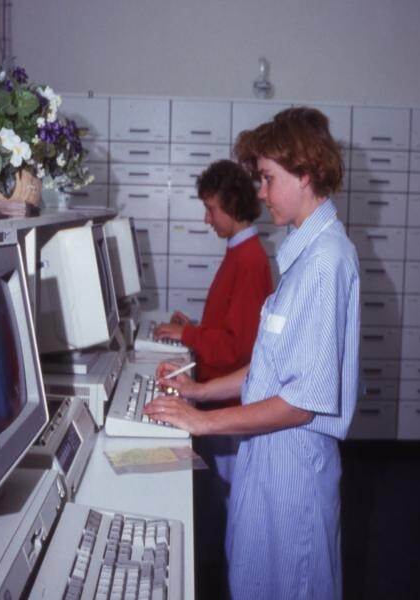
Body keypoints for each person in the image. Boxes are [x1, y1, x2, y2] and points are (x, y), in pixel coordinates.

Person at [145, 106, 360, 600]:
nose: (260, 192)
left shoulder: (326, 263)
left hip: (293, 469)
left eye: (268, 178)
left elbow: (300, 402)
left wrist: (202, 422)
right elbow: (268, 367)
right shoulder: (305, 256)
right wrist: (198, 390)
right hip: (269, 457)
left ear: (305, 173)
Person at [154, 159, 274, 598]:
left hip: (228, 409)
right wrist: (193, 327)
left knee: (228, 513)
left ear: (233, 205)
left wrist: (188, 334)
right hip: (217, 399)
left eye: (210, 209)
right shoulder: (239, 253)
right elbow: (227, 329)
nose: (206, 219)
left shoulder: (250, 260)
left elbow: (239, 349)